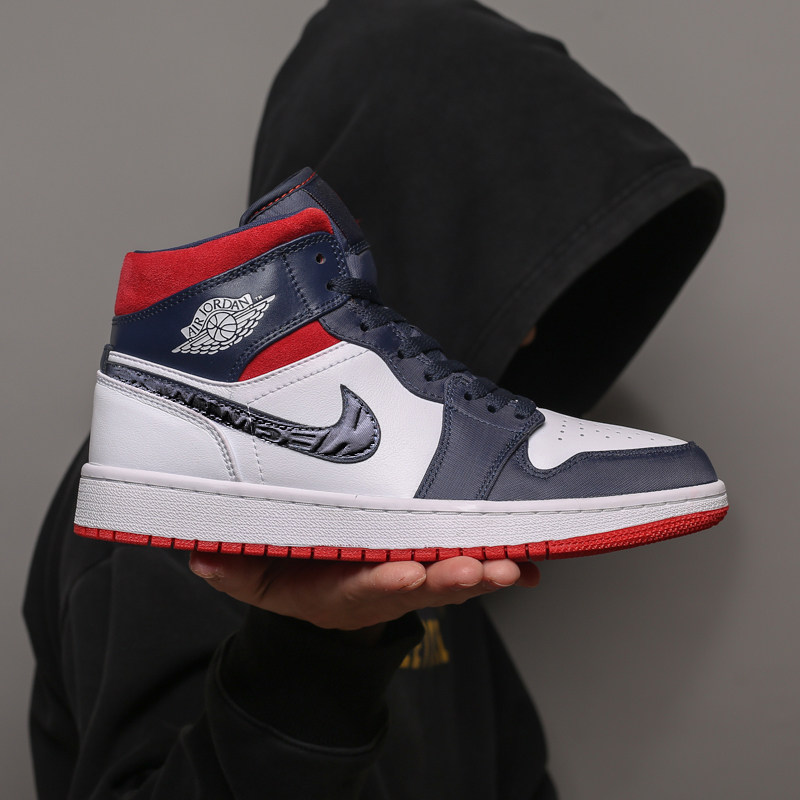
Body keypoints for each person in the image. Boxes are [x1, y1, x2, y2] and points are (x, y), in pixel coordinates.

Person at [24, 1, 724, 798]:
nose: (533, 334)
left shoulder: (421, 521)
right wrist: (315, 648)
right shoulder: (180, 506)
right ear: (416, 214)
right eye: (504, 255)